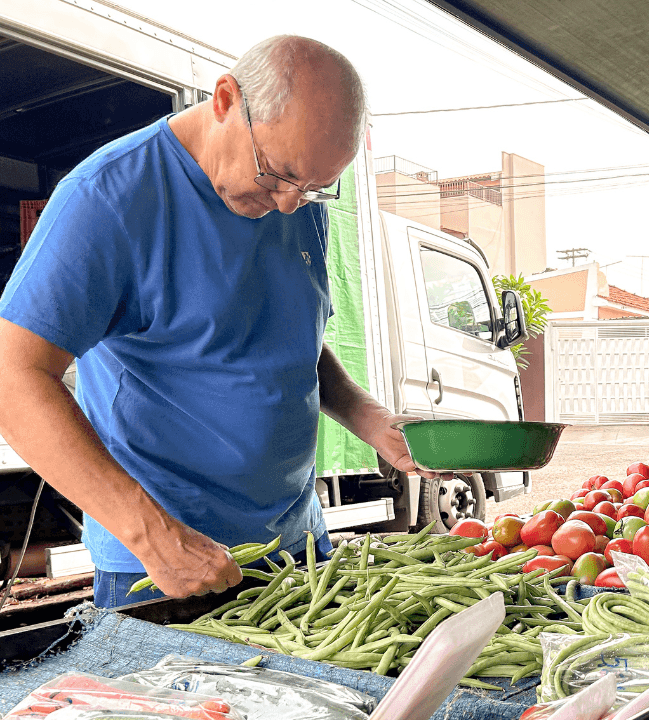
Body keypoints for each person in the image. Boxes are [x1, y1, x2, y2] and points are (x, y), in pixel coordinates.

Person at [0, 36, 421, 608]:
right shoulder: (107, 199)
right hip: (168, 563)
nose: (291, 204)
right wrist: (152, 535)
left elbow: (282, 335)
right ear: (225, 98)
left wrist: (366, 415)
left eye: (316, 187)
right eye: (278, 174)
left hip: (299, 545)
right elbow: (13, 376)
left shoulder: (294, 198)